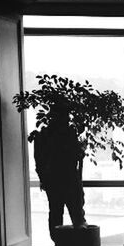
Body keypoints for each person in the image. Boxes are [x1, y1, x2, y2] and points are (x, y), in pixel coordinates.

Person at [34, 101, 86, 237]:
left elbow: (39, 162)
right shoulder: (68, 134)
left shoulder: (44, 135)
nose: (68, 119)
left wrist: (44, 179)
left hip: (53, 181)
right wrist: (81, 150)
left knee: (56, 215)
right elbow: (75, 155)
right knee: (77, 216)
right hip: (69, 180)